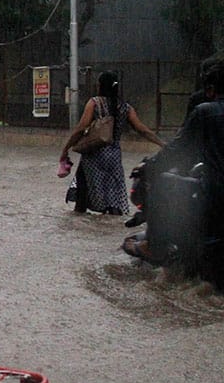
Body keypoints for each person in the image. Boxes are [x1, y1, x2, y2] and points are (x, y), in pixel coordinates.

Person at [122, 62, 224, 286]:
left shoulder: (205, 111)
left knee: (165, 182)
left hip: (214, 193)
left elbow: (179, 148)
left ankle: (155, 246)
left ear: (209, 90)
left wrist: (150, 166)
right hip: (208, 185)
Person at [60, 71, 164, 215]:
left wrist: (66, 149)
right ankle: (112, 225)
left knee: (82, 195)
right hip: (114, 157)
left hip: (93, 155)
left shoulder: (94, 103)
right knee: (114, 197)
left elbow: (81, 128)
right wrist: (162, 143)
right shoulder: (126, 108)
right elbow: (142, 129)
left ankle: (83, 224)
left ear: (100, 86)